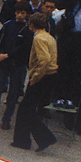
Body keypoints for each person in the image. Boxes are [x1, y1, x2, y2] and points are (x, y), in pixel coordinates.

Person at [12, 13, 58, 152]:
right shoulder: (49, 37)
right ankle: (22, 140)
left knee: (26, 109)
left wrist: (35, 77)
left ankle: (43, 137)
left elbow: (44, 60)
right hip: (50, 75)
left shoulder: (38, 38)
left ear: (31, 24)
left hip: (42, 76)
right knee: (26, 109)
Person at [0, 6, 32, 130]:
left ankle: (6, 118)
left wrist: (8, 55)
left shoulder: (27, 29)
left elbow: (24, 48)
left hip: (17, 64)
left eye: (23, 12)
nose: (20, 15)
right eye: (19, 12)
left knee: (13, 92)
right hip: (3, 63)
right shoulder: (8, 25)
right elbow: (0, 41)